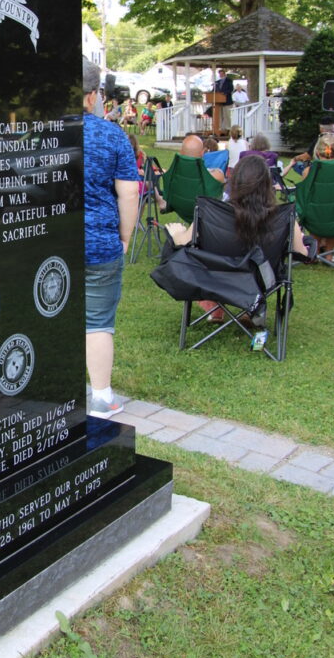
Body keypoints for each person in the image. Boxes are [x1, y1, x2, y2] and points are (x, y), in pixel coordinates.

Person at [167, 154, 309, 320]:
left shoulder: (212, 211)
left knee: (187, 252)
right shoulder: (283, 217)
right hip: (264, 279)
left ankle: (216, 306)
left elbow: (183, 243)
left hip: (216, 277)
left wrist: (176, 234)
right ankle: (248, 310)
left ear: (235, 182)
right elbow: (303, 254)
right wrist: (305, 241)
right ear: (267, 184)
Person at [83, 59, 139, 416]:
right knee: (97, 322)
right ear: (92, 96)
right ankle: (101, 397)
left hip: (46, 243)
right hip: (99, 244)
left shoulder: (38, 134)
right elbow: (129, 194)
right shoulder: (112, 135)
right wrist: (124, 237)